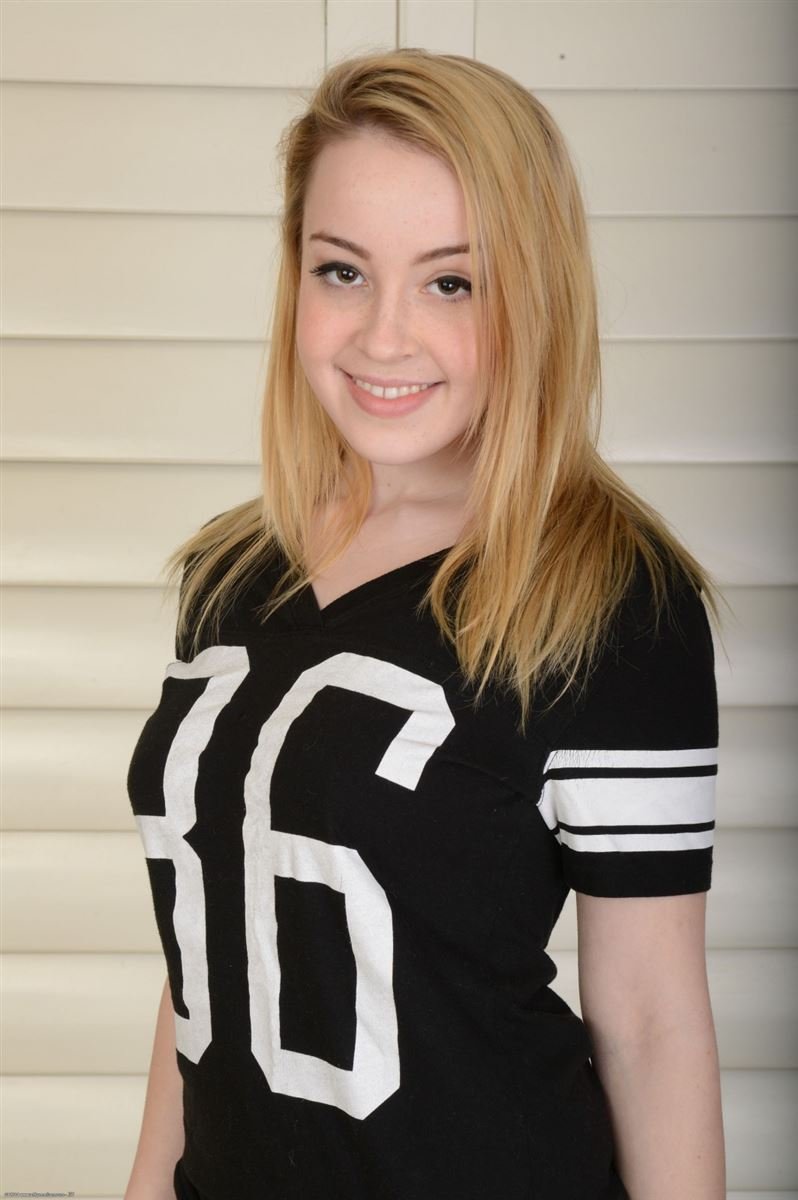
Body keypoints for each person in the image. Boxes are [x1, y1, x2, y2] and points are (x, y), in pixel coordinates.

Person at [123, 47, 727, 1200]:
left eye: (451, 283)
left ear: (533, 296)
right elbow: (213, 945)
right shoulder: (230, 574)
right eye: (342, 271)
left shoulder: (610, 600)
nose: (383, 336)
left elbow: (652, 1019)